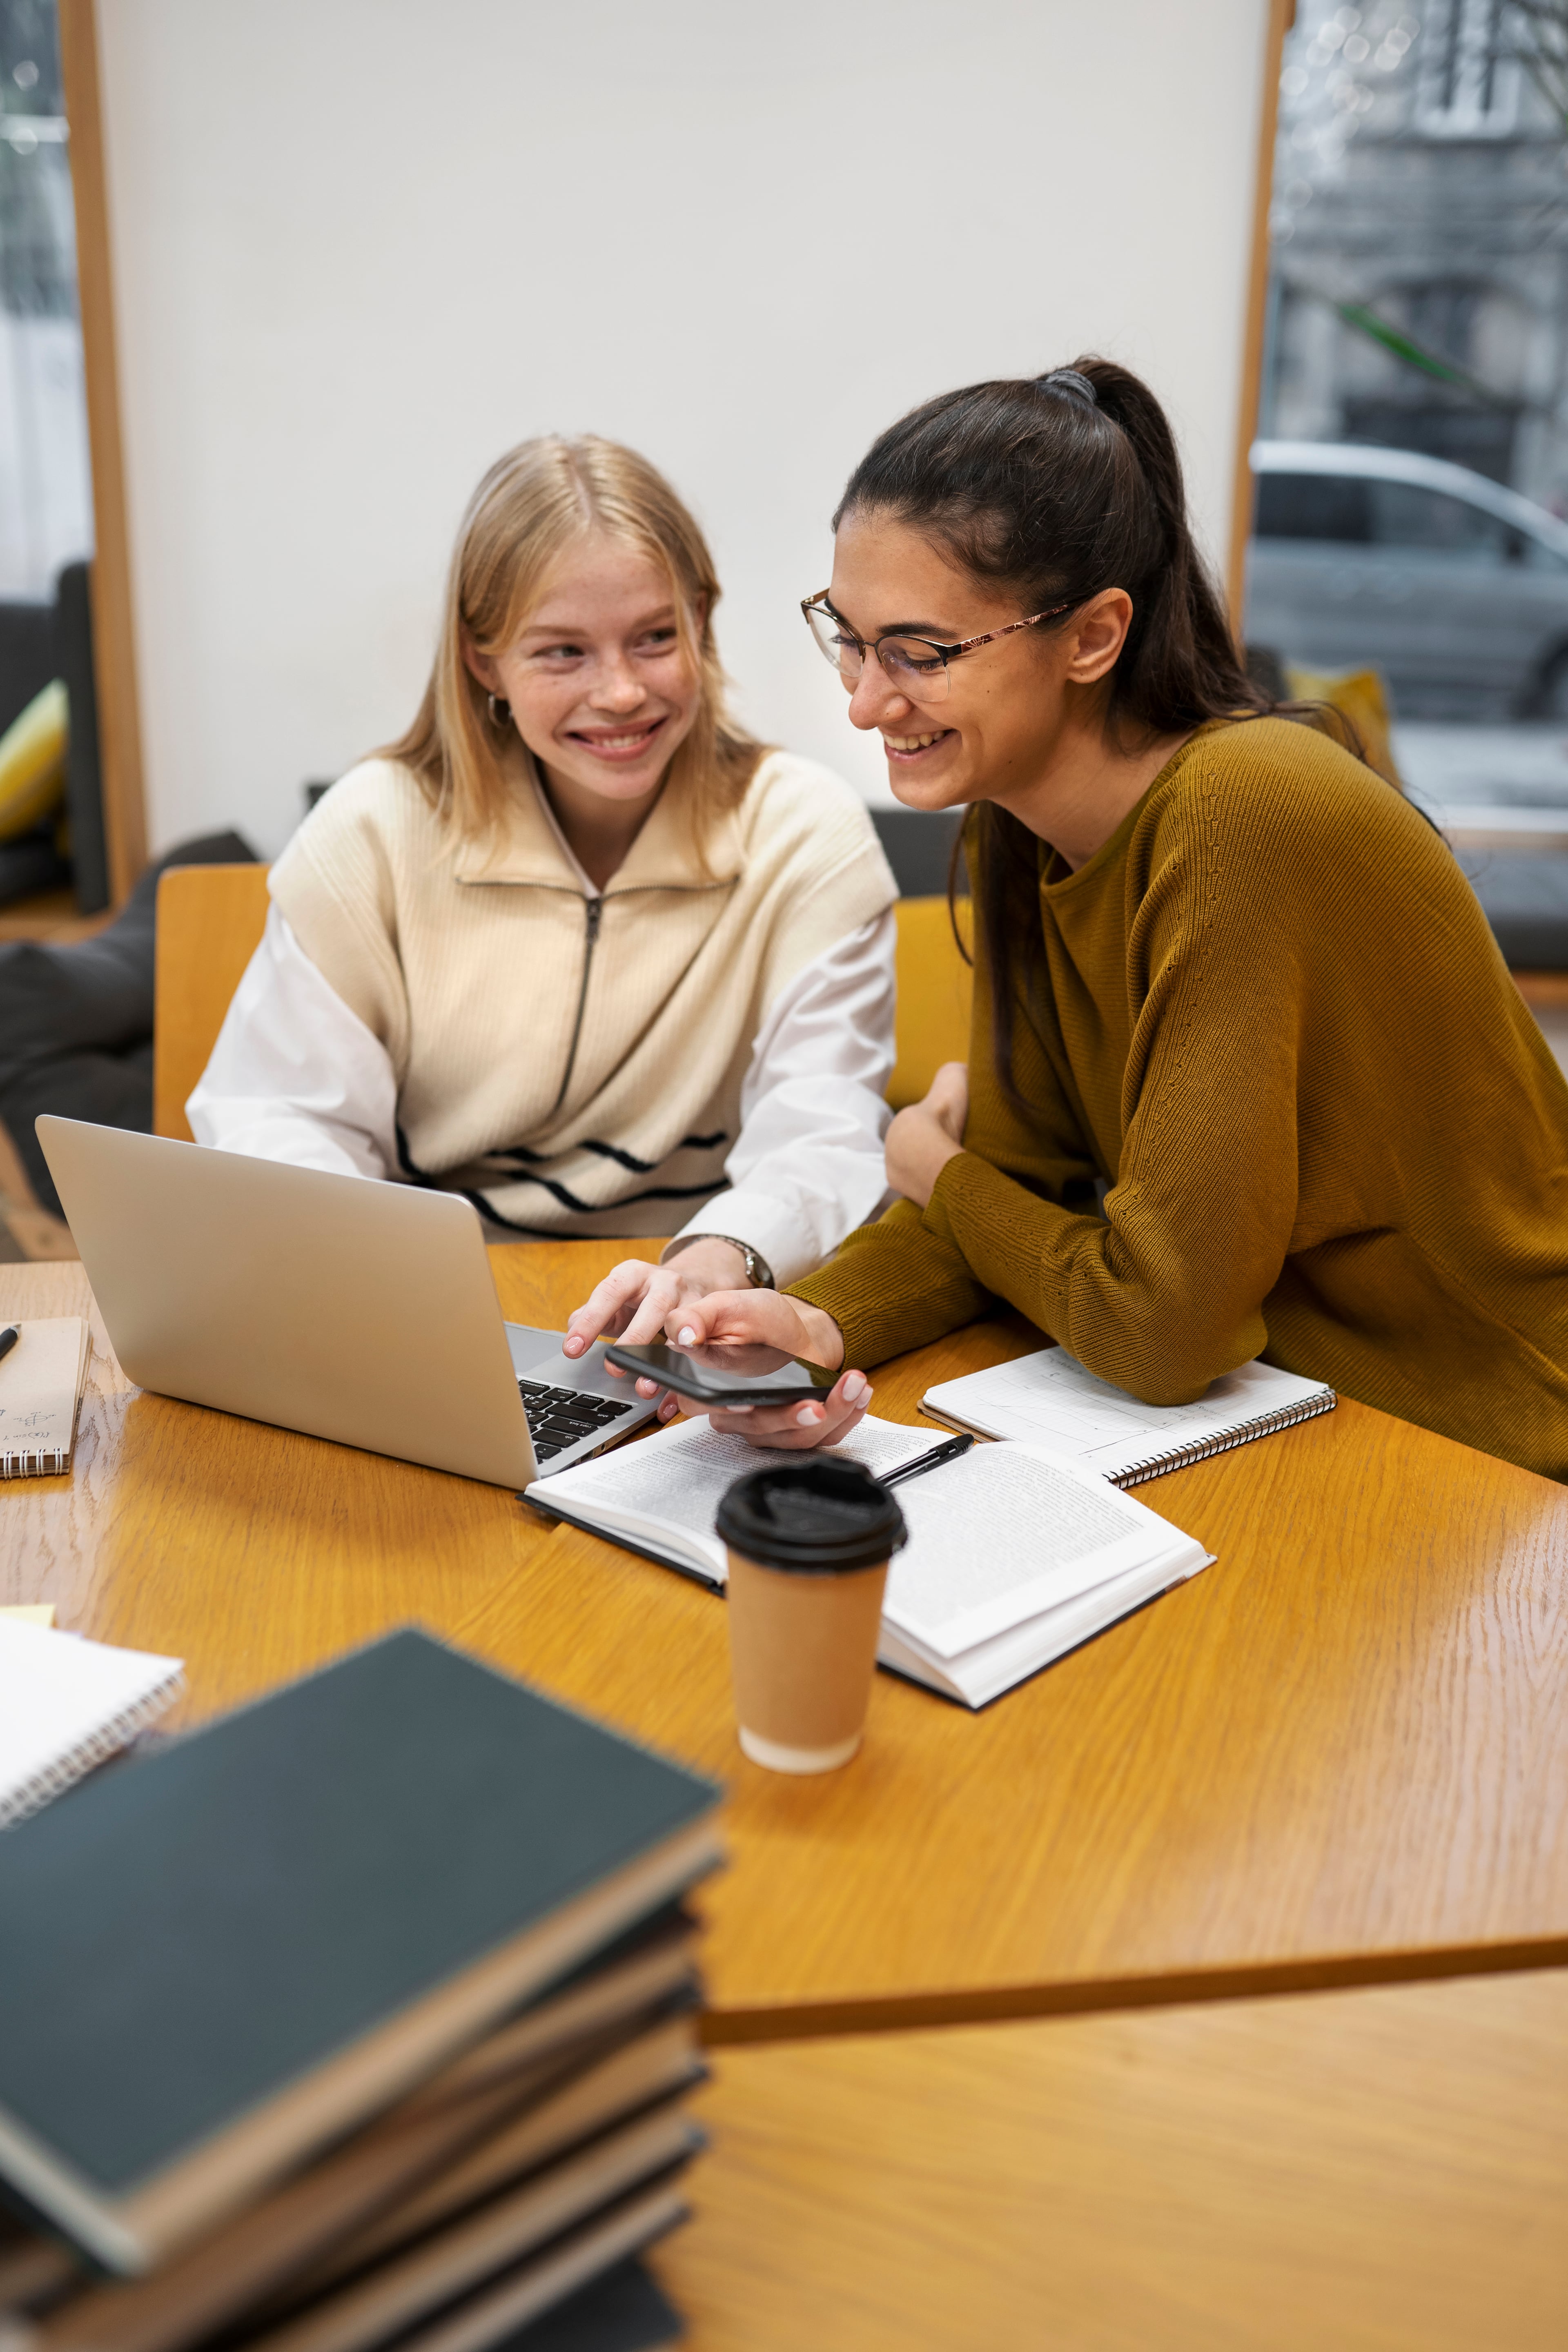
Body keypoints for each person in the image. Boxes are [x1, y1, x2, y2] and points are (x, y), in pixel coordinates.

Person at [631, 357, 1568, 1481]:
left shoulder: (1244, 812)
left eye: (919, 653)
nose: (865, 699)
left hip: (1497, 1441)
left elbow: (1161, 1328)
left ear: (1091, 637)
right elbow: (1012, 1191)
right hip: (1282, 1413)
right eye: (849, 632)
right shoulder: (1018, 820)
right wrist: (817, 1331)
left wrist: (936, 1168)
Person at [189, 435, 898, 1325]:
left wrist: (718, 1266)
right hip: (434, 1302)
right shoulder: (371, 832)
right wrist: (389, 1286)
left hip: (691, 1302)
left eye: (653, 639)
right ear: (484, 661)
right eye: (563, 652)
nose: (621, 693)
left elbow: (821, 1131)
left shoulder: (807, 837)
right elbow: (282, 1119)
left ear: (702, 624)